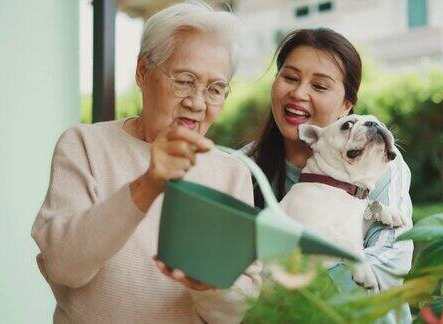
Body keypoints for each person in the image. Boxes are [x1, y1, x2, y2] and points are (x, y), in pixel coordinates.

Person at [31, 2, 261, 323]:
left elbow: (242, 307)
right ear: (143, 71)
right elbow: (64, 265)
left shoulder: (231, 174)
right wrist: (150, 182)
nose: (196, 102)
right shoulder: (84, 146)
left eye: (214, 89)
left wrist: (211, 287)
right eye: (184, 80)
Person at [247, 28, 413, 323]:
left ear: (346, 105)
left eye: (320, 86)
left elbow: (392, 257)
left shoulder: (380, 163)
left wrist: (309, 282)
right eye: (290, 78)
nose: (299, 93)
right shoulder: (246, 165)